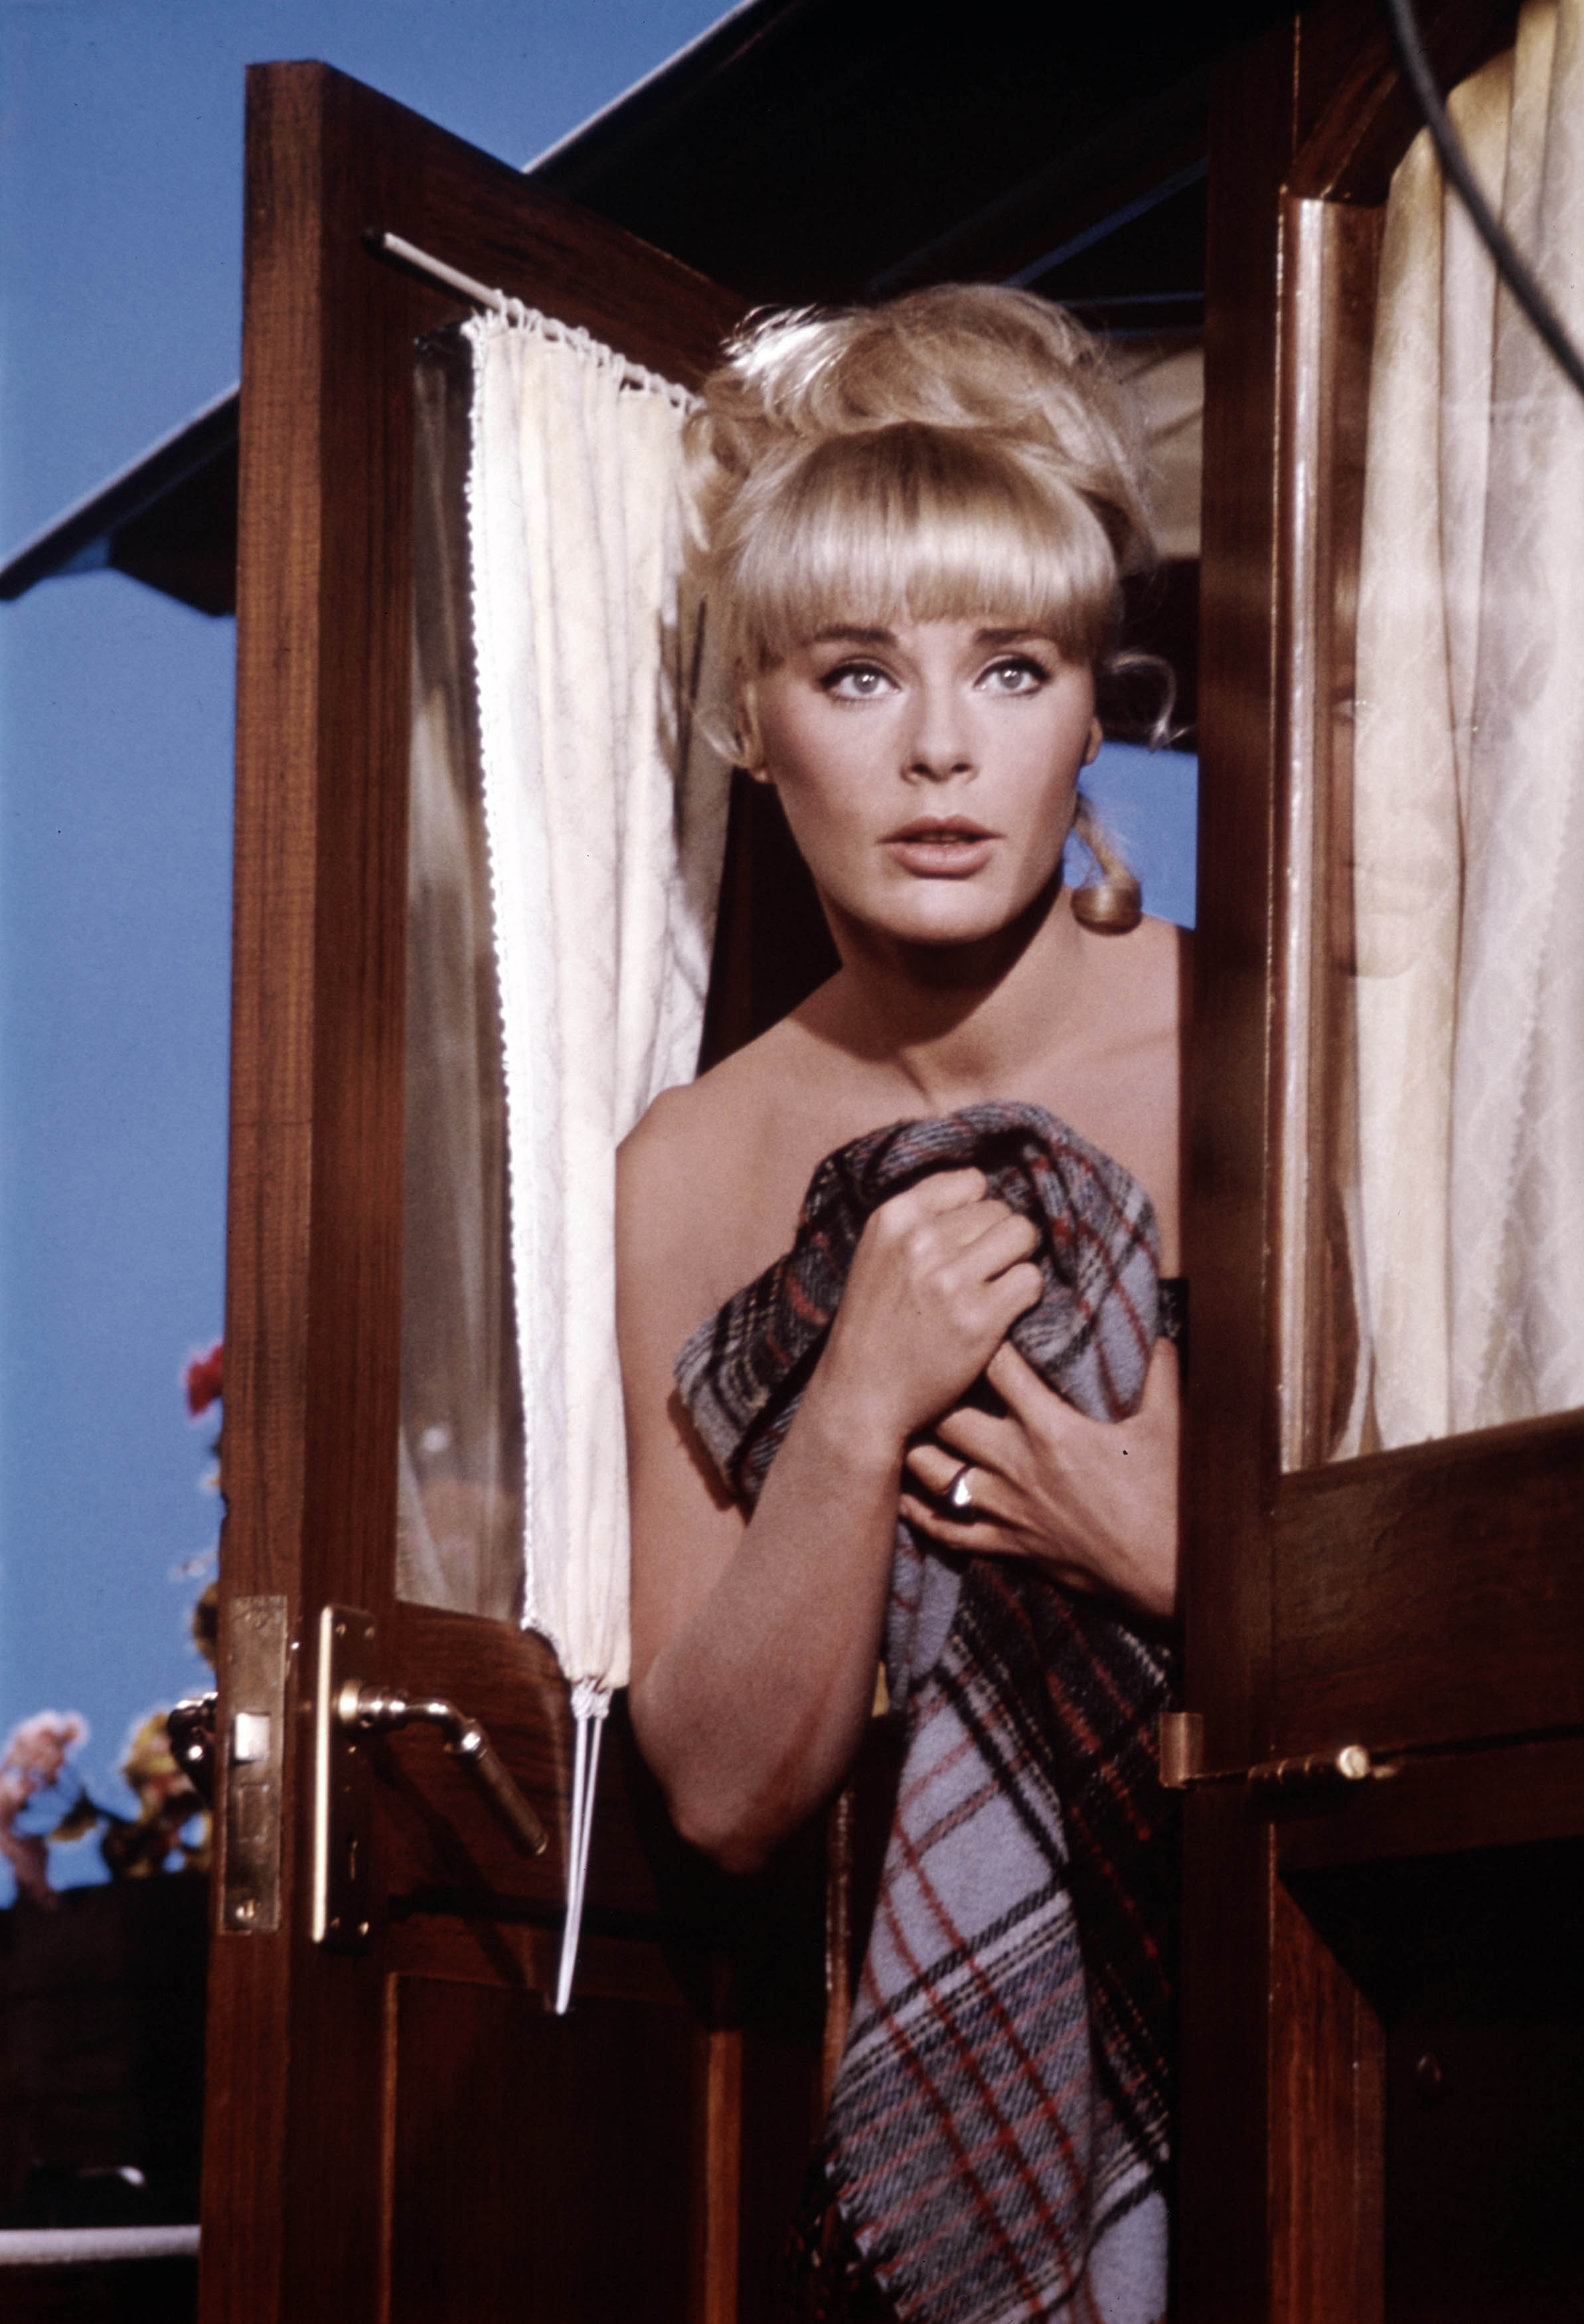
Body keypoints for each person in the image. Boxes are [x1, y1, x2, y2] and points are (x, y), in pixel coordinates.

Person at [618, 284, 1186, 2324]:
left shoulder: (1268, 1048)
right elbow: (719, 1789)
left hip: (1304, 1997)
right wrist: (856, 1398)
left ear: (1092, 709)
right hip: (914, 2059)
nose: (941, 749)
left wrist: (1175, 1548)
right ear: (749, 719)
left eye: (1010, 667)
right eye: (858, 672)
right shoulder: (698, 1163)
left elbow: (1491, 1620)